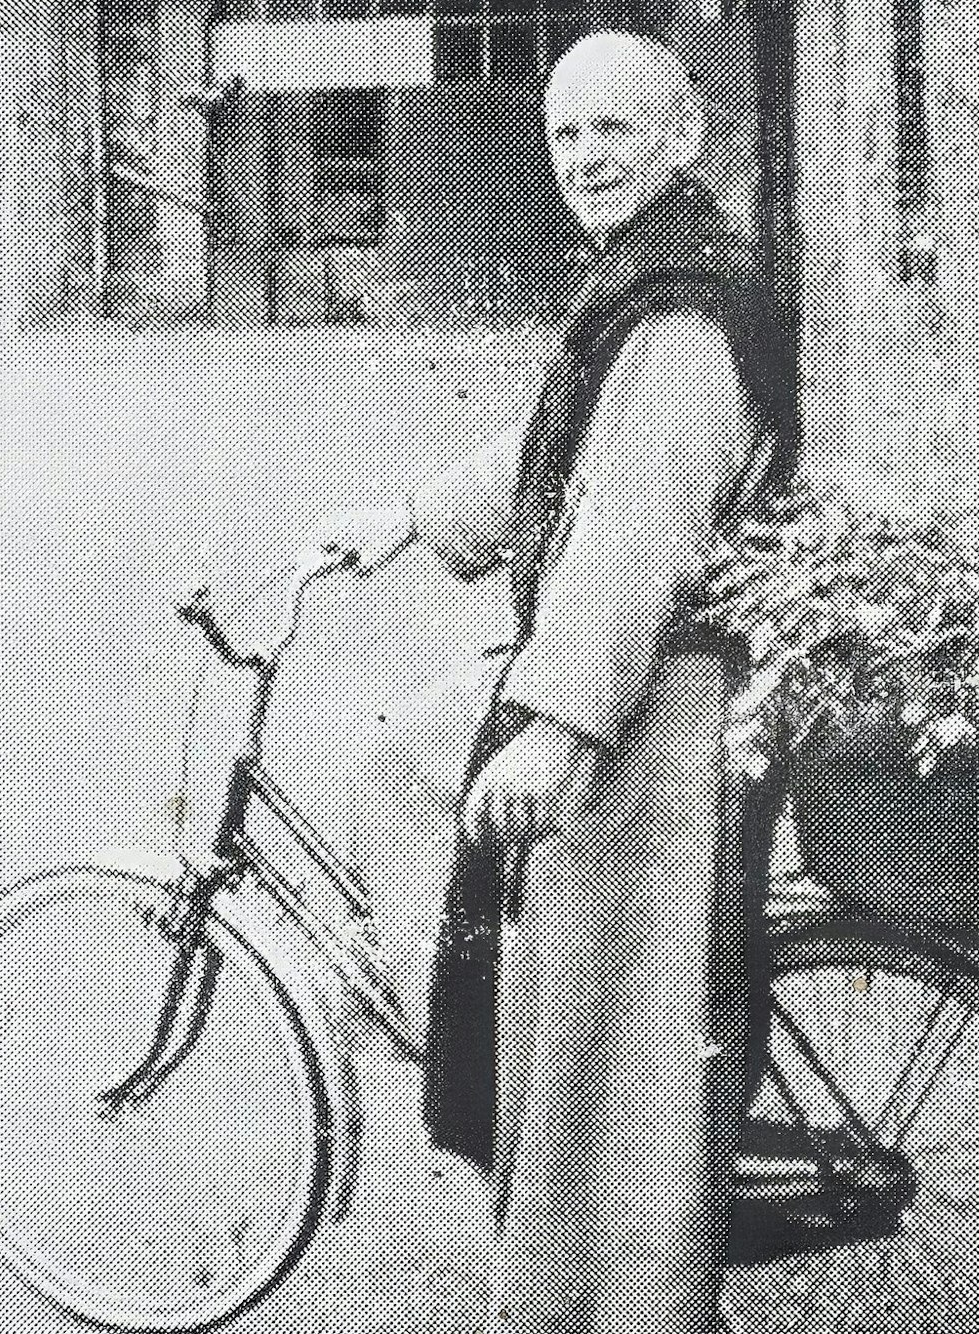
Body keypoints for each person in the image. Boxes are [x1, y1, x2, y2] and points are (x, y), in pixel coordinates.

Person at [329, 31, 796, 1334]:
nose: (586, 157)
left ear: (681, 139)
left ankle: (612, 1306)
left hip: (656, 708)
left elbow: (636, 532)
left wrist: (556, 728)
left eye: (614, 130)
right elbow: (559, 442)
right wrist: (412, 518)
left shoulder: (683, 317)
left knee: (606, 1049)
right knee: (403, 760)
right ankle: (474, 1057)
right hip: (633, 675)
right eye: (565, 134)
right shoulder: (647, 277)